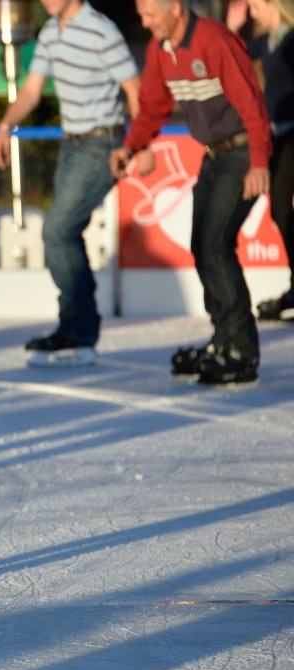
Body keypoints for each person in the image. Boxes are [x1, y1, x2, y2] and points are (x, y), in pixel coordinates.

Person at [111, 0, 272, 385]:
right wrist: (131, 146)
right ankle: (221, 341)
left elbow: (252, 102)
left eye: (150, 14)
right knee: (201, 246)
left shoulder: (215, 40)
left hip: (243, 152)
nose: (145, 22)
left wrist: (260, 162)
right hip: (213, 156)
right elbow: (152, 107)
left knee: (216, 243)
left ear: (176, 8)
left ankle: (242, 351)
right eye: (142, 15)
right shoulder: (160, 50)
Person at [0, 0, 141, 367]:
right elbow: (31, 91)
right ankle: (76, 327)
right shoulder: (50, 32)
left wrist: (141, 144)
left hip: (103, 143)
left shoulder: (101, 30)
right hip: (72, 144)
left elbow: (135, 90)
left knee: (57, 231)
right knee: (66, 233)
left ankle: (79, 333)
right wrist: (3, 126)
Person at [227, 0, 294, 321]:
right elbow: (233, 55)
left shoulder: (292, 39)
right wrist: (233, 27)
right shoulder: (268, 42)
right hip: (277, 134)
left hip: (293, 132)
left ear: (273, 5)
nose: (252, 14)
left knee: (283, 209)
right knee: (280, 212)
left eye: (254, 7)